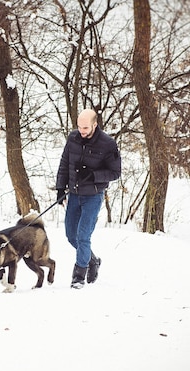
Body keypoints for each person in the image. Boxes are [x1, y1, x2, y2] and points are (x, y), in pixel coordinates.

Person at [55, 109, 121, 289]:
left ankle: (79, 276)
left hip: (93, 195)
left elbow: (116, 173)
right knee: (71, 235)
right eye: (79, 127)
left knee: (83, 235)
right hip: (74, 194)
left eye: (85, 127)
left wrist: (93, 175)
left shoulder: (108, 144)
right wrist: (60, 188)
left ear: (95, 124)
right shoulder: (73, 138)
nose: (82, 131)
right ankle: (92, 260)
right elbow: (64, 163)